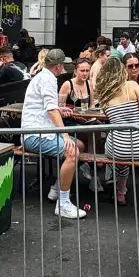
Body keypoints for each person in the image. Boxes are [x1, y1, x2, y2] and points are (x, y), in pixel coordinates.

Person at [20, 47, 85, 219]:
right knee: (73, 152)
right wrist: (64, 134)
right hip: (35, 135)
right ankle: (62, 203)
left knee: (79, 145)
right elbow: (50, 110)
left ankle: (57, 188)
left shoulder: (42, 76)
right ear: (58, 66)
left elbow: (49, 107)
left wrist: (59, 108)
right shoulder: (48, 80)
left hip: (37, 132)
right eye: (63, 65)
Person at [94, 53, 139, 206]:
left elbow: (108, 117)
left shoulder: (104, 95)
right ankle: (121, 190)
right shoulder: (132, 86)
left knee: (120, 154)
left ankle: (119, 189)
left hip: (116, 147)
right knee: (128, 149)